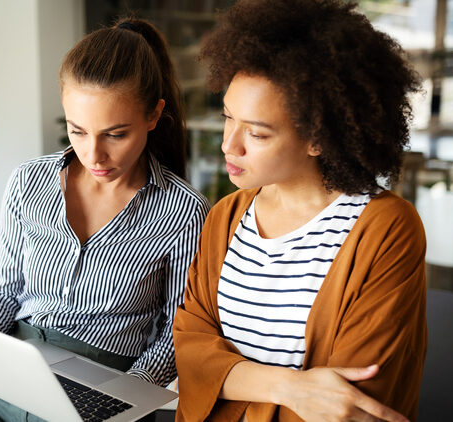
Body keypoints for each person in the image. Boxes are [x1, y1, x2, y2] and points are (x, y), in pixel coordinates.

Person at [0, 18, 210, 421]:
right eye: (77, 130)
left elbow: (176, 332)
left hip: (102, 393)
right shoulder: (28, 181)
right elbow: (5, 293)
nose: (94, 155)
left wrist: (126, 399)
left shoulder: (182, 210)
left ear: (154, 115)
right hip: (4, 379)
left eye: (116, 134)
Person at [172, 1, 426, 421]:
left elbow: (346, 403)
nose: (228, 145)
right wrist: (290, 387)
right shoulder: (225, 217)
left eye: (256, 132)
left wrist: (232, 379)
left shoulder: (384, 230)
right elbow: (190, 351)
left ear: (318, 138)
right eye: (227, 118)